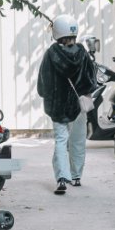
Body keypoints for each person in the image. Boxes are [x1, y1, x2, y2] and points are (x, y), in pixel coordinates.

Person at [37, 14, 97, 194]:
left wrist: (47, 96)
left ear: (57, 33)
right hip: (79, 104)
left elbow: (43, 83)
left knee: (61, 142)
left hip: (58, 107)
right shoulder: (83, 53)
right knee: (78, 141)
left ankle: (62, 178)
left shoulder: (50, 54)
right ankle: (76, 176)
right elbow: (91, 80)